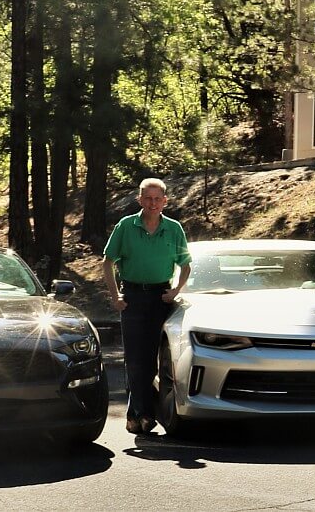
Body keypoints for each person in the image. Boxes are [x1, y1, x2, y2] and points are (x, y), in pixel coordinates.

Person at [102, 178, 192, 435]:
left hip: (159, 297)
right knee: (134, 358)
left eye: (157, 199)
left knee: (151, 358)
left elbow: (185, 265)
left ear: (165, 201)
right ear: (139, 200)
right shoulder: (126, 226)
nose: (152, 203)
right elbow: (107, 262)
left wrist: (175, 290)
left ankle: (140, 414)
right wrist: (115, 295)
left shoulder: (174, 229)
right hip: (131, 296)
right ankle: (140, 414)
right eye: (147, 198)